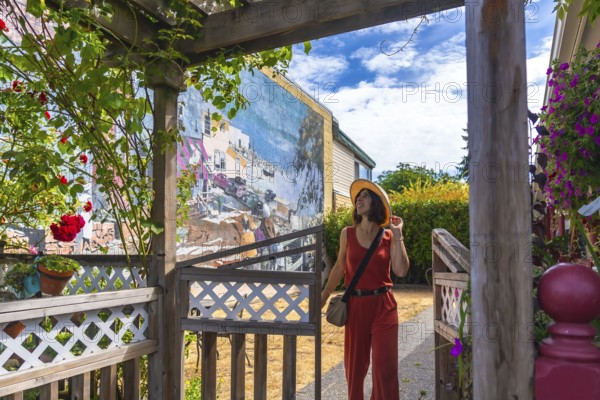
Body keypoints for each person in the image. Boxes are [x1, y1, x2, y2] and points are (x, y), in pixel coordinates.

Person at [321, 179, 410, 400]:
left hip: (384, 306)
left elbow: (400, 270)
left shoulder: (389, 237)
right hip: (357, 306)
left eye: (365, 196)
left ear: (377, 203)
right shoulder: (347, 234)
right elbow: (340, 266)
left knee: (385, 369)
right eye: (357, 197)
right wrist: (323, 295)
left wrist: (398, 234)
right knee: (355, 369)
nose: (359, 199)